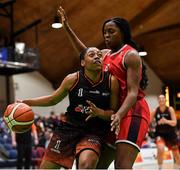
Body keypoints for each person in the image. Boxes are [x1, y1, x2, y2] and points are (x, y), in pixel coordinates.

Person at [57, 6, 150, 169]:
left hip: (132, 112)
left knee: (122, 165)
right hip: (113, 115)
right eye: (105, 32)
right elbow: (84, 53)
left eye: (111, 31)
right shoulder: (105, 54)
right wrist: (67, 28)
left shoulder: (131, 55)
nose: (106, 35)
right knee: (97, 165)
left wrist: (119, 115)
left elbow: (133, 92)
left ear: (123, 32)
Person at [19, 47, 119, 169]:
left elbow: (113, 113)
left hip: (94, 132)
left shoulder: (111, 81)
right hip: (68, 129)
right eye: (92, 55)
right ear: (83, 62)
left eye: (99, 55)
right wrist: (27, 102)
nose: (97, 57)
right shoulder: (73, 79)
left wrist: (100, 113)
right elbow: (52, 99)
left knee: (87, 164)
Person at [151, 94, 180, 169]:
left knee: (176, 154)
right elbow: (150, 123)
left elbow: (174, 122)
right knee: (160, 148)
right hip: (159, 134)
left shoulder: (170, 109)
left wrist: (166, 121)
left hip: (170, 134)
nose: (161, 100)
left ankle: (177, 167)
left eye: (162, 99)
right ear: (158, 101)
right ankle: (160, 168)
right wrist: (157, 123)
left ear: (165, 100)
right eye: (159, 99)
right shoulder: (155, 111)